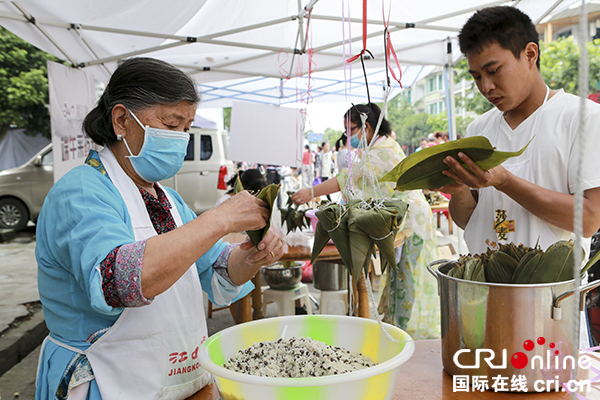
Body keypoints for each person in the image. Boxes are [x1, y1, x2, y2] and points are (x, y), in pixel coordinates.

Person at [34, 58, 284, 400]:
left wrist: (254, 255)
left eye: (187, 128)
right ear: (122, 120)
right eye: (171, 124)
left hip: (177, 380)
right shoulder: (80, 193)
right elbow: (119, 282)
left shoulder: (168, 198)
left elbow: (216, 271)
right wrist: (219, 219)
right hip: (104, 381)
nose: (181, 138)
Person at [441, 7, 600, 346]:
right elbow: (470, 219)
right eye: (475, 76)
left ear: (530, 54)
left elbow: (587, 220)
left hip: (550, 309)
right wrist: (458, 192)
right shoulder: (479, 129)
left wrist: (506, 181)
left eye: (493, 70)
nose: (486, 86)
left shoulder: (581, 119)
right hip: (482, 299)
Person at [291, 103, 440, 339]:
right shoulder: (379, 146)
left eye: (350, 130)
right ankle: (396, 328)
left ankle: (405, 334)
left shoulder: (382, 151)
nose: (348, 137)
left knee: (407, 281)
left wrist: (310, 192)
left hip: (411, 221)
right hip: (404, 218)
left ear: (367, 127)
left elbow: (347, 179)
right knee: (398, 279)